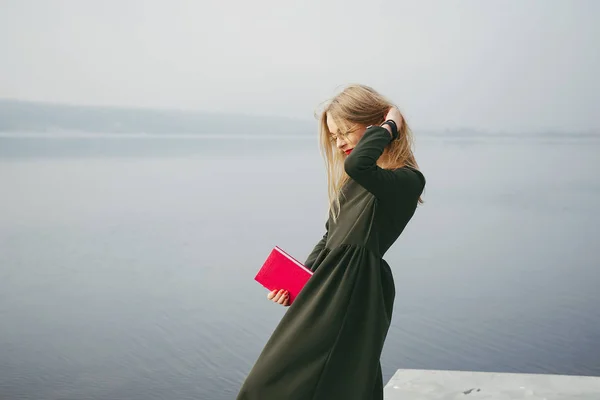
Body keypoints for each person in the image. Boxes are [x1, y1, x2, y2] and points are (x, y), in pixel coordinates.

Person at [236, 84, 426, 400]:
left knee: (279, 384)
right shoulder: (361, 179)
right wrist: (299, 282)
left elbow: (356, 164)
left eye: (345, 132)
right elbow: (330, 237)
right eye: (333, 136)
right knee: (336, 381)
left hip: (353, 288)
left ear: (377, 126)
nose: (338, 144)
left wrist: (391, 125)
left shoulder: (405, 179)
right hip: (329, 285)